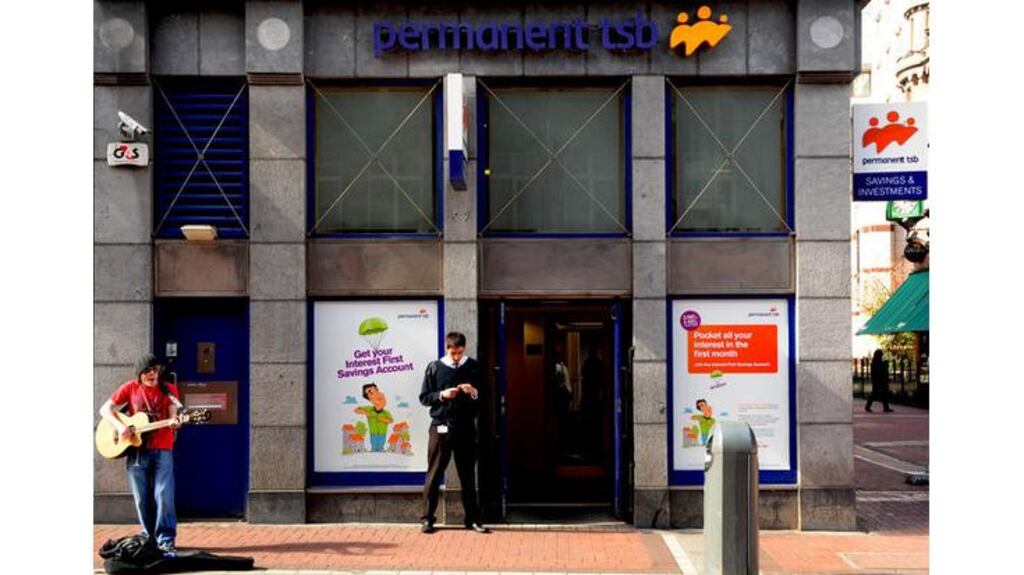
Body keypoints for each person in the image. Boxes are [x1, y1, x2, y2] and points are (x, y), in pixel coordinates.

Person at [98, 355, 182, 555]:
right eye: (147, 371)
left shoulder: (169, 390)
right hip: (137, 451)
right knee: (141, 497)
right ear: (140, 374)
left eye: (154, 370)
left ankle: (165, 539)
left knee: (163, 494)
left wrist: (175, 422)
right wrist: (120, 426)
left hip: (163, 447)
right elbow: (105, 409)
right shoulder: (129, 388)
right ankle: (148, 536)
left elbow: (174, 415)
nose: (152, 374)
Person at [418, 331, 489, 534]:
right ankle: (427, 519)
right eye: (453, 353)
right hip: (440, 426)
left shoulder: (473, 366)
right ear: (446, 348)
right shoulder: (435, 367)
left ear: (464, 349)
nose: (456, 357)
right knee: (434, 473)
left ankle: (473, 520)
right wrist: (442, 395)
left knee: (468, 476)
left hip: (466, 427)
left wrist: (473, 391)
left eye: (459, 352)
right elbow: (424, 397)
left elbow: (485, 393)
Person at [355, 383, 393, 452]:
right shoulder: (369, 409)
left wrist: (382, 419)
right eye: (371, 393)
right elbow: (357, 409)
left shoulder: (386, 412)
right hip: (373, 432)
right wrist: (365, 412)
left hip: (382, 431)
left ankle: (381, 448)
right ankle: (374, 448)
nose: (376, 395)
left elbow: (390, 420)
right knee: (374, 440)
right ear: (370, 399)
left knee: (382, 440)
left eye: (376, 391)